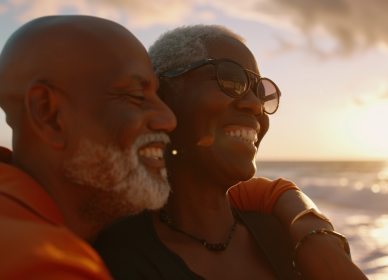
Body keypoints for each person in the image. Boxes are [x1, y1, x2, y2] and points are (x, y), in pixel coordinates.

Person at [0, 16, 346, 279]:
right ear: (48, 113)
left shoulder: (279, 233)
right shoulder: (52, 258)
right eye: (137, 96)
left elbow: (260, 193)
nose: (164, 117)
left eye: (261, 91)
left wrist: (308, 225)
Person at [94, 25, 368, 280]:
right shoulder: (116, 258)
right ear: (162, 96)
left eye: (260, 92)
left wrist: (313, 235)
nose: (255, 105)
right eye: (231, 79)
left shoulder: (283, 237)